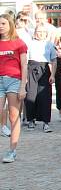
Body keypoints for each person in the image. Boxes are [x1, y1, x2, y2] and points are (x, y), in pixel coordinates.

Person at [0, 14, 27, 163]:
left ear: (10, 24)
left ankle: (12, 150)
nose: (1, 26)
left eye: (3, 23)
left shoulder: (18, 43)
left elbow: (24, 65)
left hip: (14, 81)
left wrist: (23, 86)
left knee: (13, 115)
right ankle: (3, 127)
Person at [24, 24, 57, 132]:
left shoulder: (49, 44)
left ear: (46, 33)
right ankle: (31, 120)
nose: (41, 33)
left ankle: (46, 122)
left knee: (45, 96)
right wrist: (25, 76)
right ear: (35, 33)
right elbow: (25, 60)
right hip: (31, 67)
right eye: (39, 31)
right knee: (30, 94)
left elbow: (54, 60)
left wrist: (52, 74)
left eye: (43, 31)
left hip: (44, 68)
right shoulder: (29, 44)